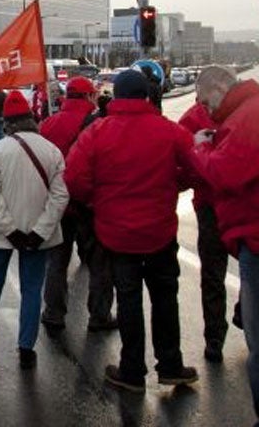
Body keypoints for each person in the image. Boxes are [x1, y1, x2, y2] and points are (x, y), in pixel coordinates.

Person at [65, 69, 201, 392]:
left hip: (117, 233)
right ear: (146, 96)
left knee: (128, 301)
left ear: (117, 96)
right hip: (159, 231)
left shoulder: (98, 132)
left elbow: (73, 178)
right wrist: (172, 186)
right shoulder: (169, 131)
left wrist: (97, 200)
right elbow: (197, 169)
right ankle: (170, 365)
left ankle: (132, 370)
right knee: (165, 297)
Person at [0, 91, 68, 370]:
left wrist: (10, 230)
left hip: (2, 236)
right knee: (32, 288)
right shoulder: (51, 150)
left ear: (7, 121)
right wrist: (40, 231)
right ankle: (26, 348)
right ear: (31, 118)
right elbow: (60, 196)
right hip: (38, 234)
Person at [193, 65, 259, 424]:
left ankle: (214, 339)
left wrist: (201, 150)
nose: (206, 110)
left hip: (252, 237)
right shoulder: (244, 111)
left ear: (220, 86)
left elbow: (226, 172)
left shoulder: (246, 117)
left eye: (206, 101)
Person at [39, 76, 116, 334]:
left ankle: (53, 313)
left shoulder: (48, 123)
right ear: (88, 97)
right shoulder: (98, 124)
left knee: (57, 262)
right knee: (99, 263)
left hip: (58, 203)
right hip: (88, 204)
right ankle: (99, 314)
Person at [179, 92, 227, 362]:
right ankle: (218, 334)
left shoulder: (192, 117)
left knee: (213, 271)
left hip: (210, 202)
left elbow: (185, 163)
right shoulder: (247, 112)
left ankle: (215, 336)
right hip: (235, 200)